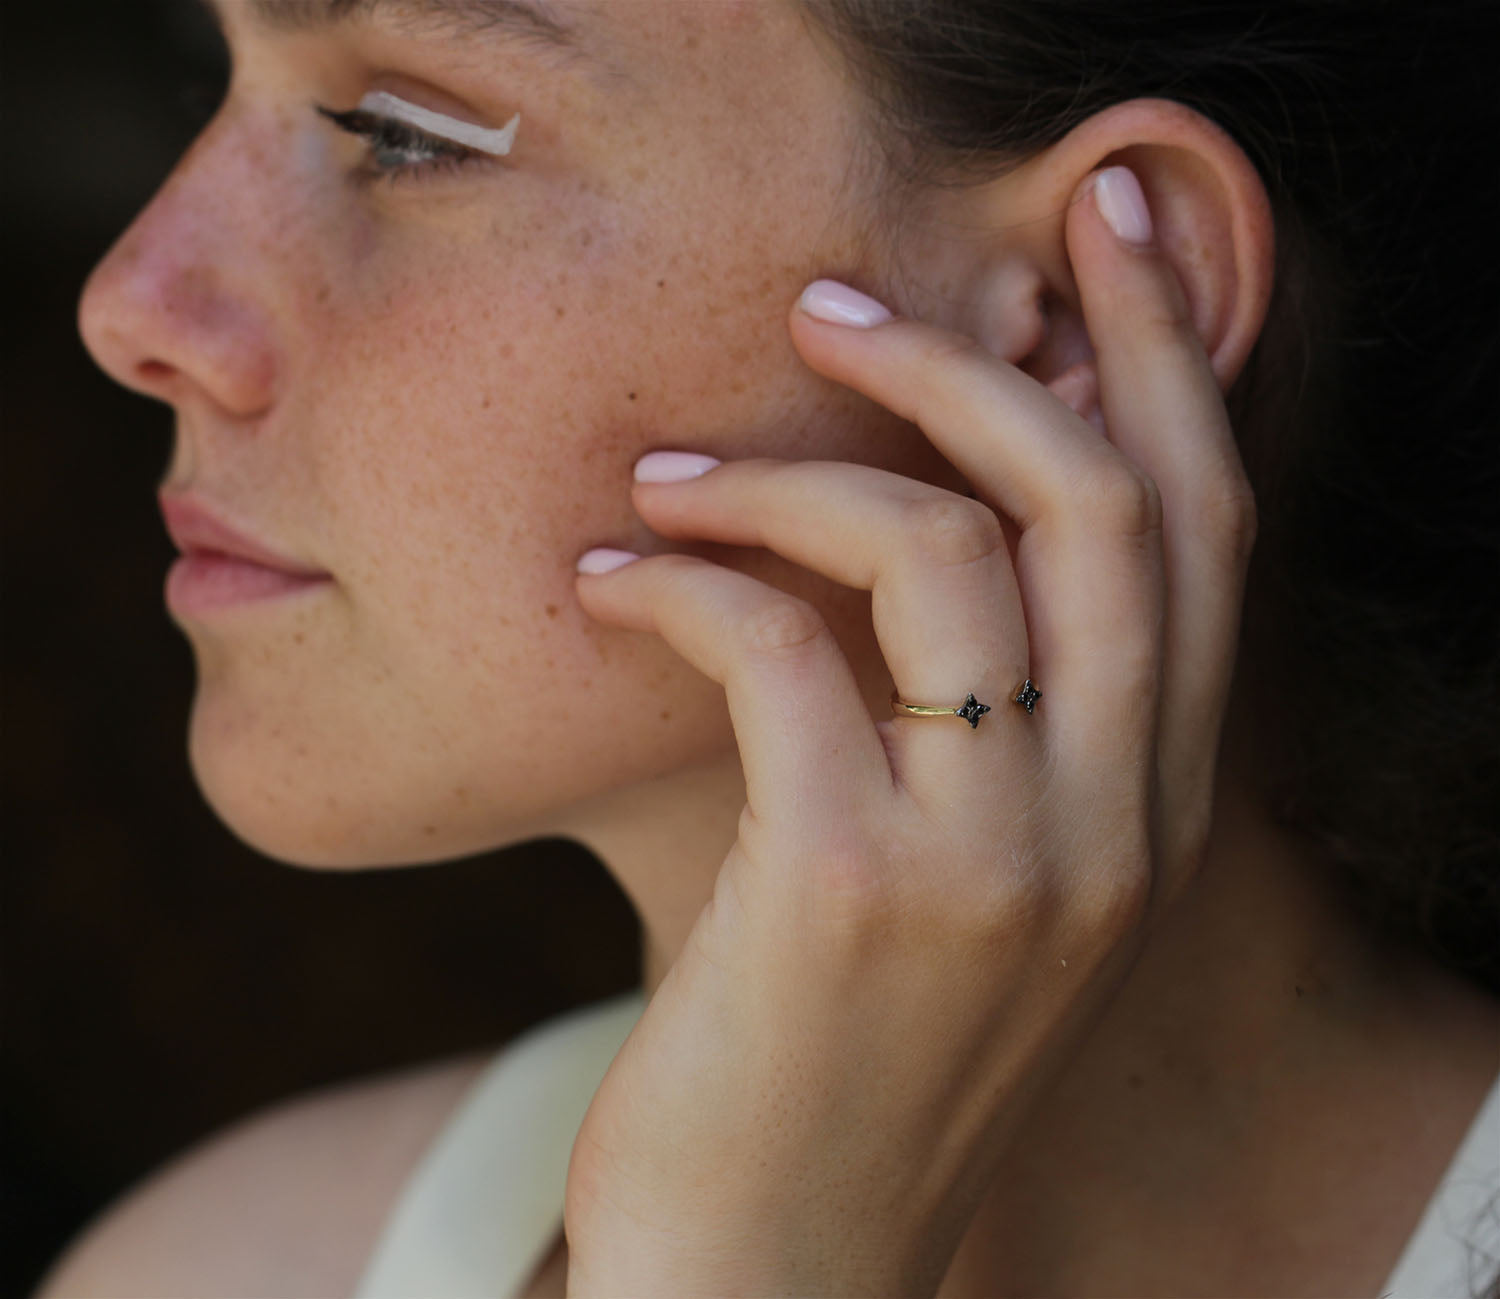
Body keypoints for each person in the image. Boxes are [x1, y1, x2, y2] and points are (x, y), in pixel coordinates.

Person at [38, 0, 1499, 1295]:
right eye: (208, 86)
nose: (132, 305)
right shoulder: (235, 1267)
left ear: (1087, 307)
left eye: (404, 132)